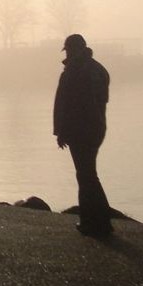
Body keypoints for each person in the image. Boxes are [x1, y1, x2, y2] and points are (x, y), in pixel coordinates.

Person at [54, 33, 114, 237]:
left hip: (81, 130)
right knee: (88, 174)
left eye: (69, 49)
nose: (68, 53)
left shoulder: (76, 71)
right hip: (96, 128)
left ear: (75, 49)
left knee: (86, 175)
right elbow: (99, 101)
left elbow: (69, 105)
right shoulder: (98, 69)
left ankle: (94, 221)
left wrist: (62, 131)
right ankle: (98, 220)